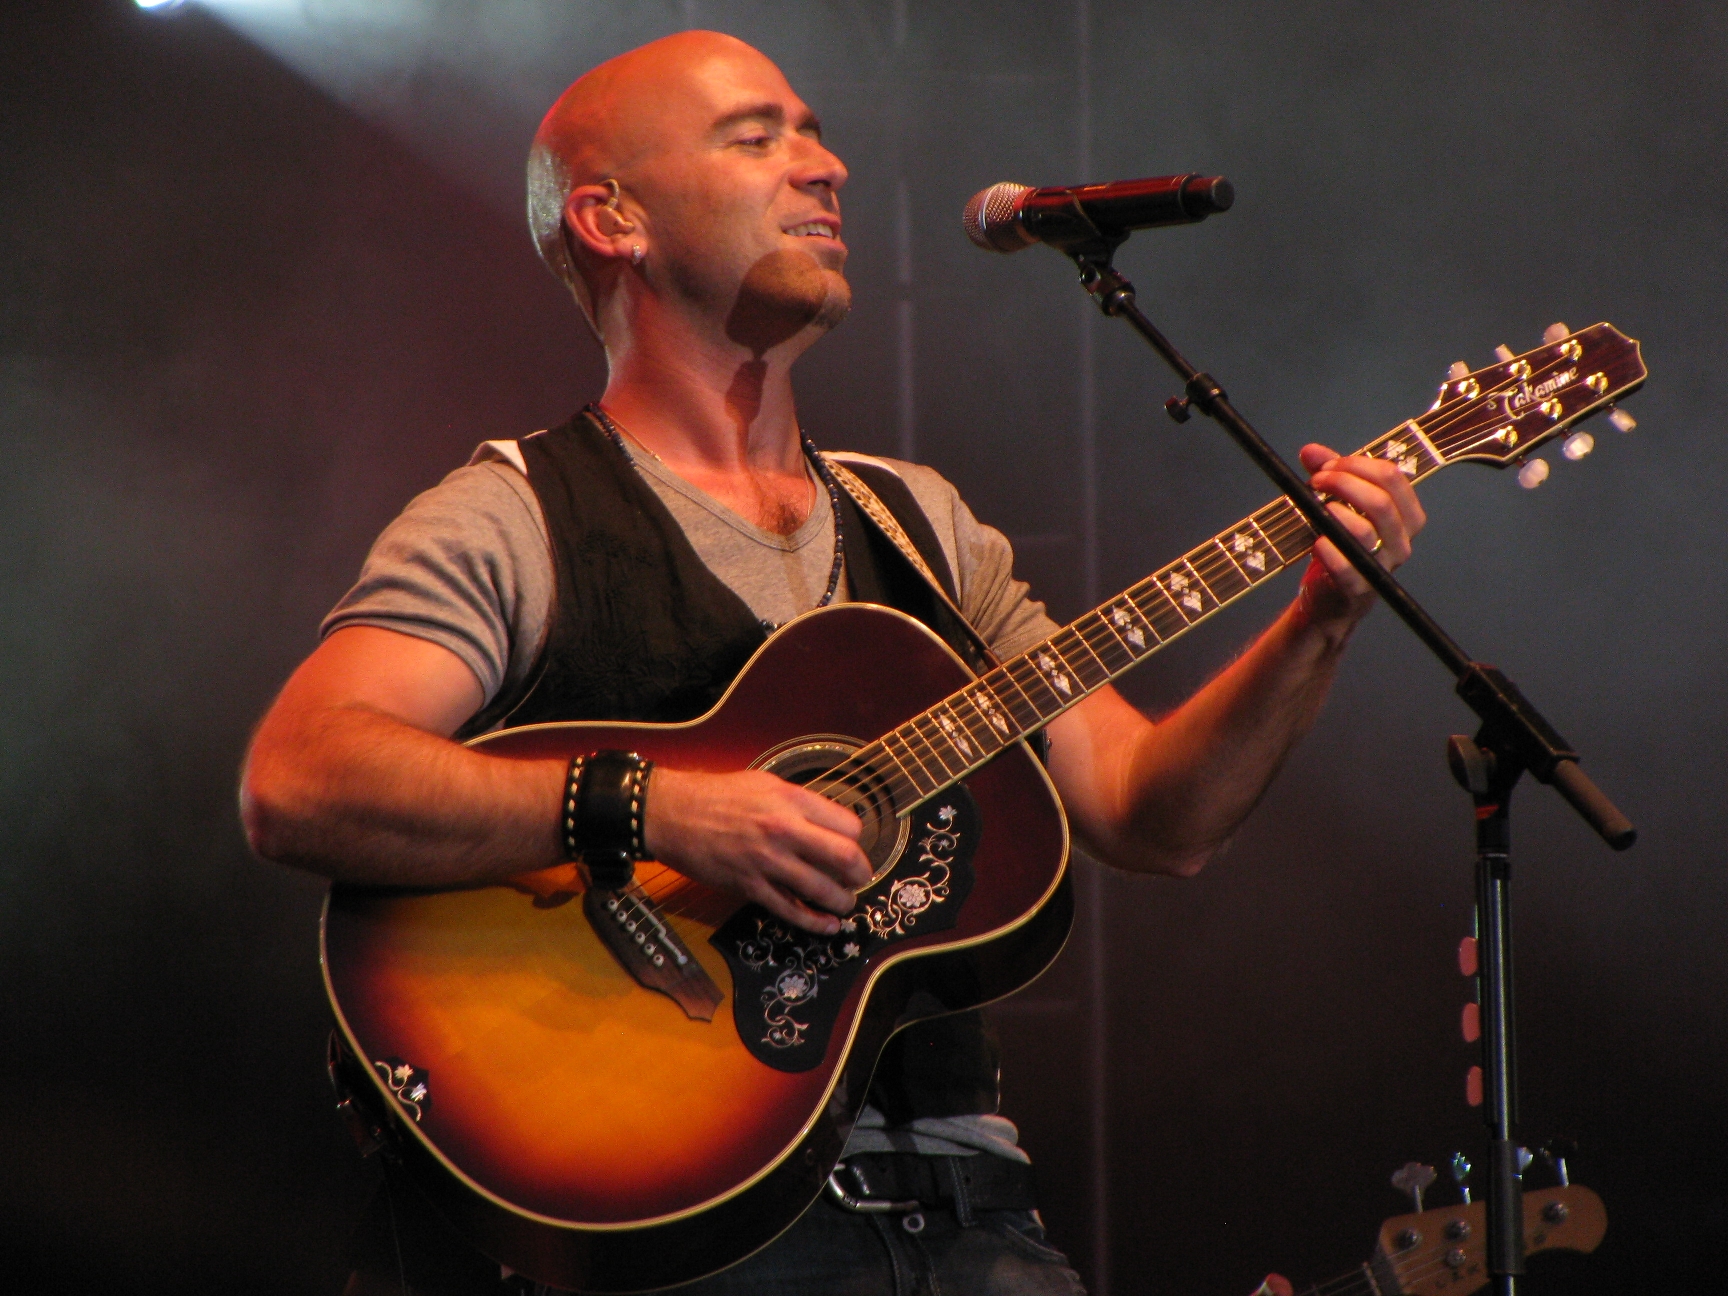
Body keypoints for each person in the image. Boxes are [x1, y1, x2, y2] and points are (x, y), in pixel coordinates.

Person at [240, 29, 1425, 1296]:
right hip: (690, 1231)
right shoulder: (517, 512)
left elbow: (1151, 811)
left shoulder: (922, 525)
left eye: (813, 131)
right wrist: (663, 808)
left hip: (977, 1217)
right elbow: (302, 780)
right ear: (613, 217)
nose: (829, 167)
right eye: (759, 138)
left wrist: (1320, 626)